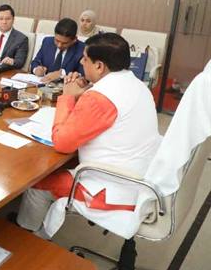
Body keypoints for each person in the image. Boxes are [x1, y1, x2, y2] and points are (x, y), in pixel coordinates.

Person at [16, 33, 161, 239]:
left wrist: (67, 96)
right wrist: (83, 95)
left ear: (99, 66)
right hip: (140, 176)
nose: (82, 62)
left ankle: (27, 235)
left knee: (38, 181)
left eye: (85, 59)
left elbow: (62, 143)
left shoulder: (101, 97)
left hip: (110, 188)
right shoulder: (136, 84)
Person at [30, 18, 85, 82]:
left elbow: (83, 74)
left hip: (65, 86)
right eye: (57, 40)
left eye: (64, 43)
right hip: (43, 83)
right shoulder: (47, 42)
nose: (59, 45)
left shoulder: (82, 49)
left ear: (74, 39)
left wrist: (62, 73)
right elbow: (36, 61)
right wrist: (36, 69)